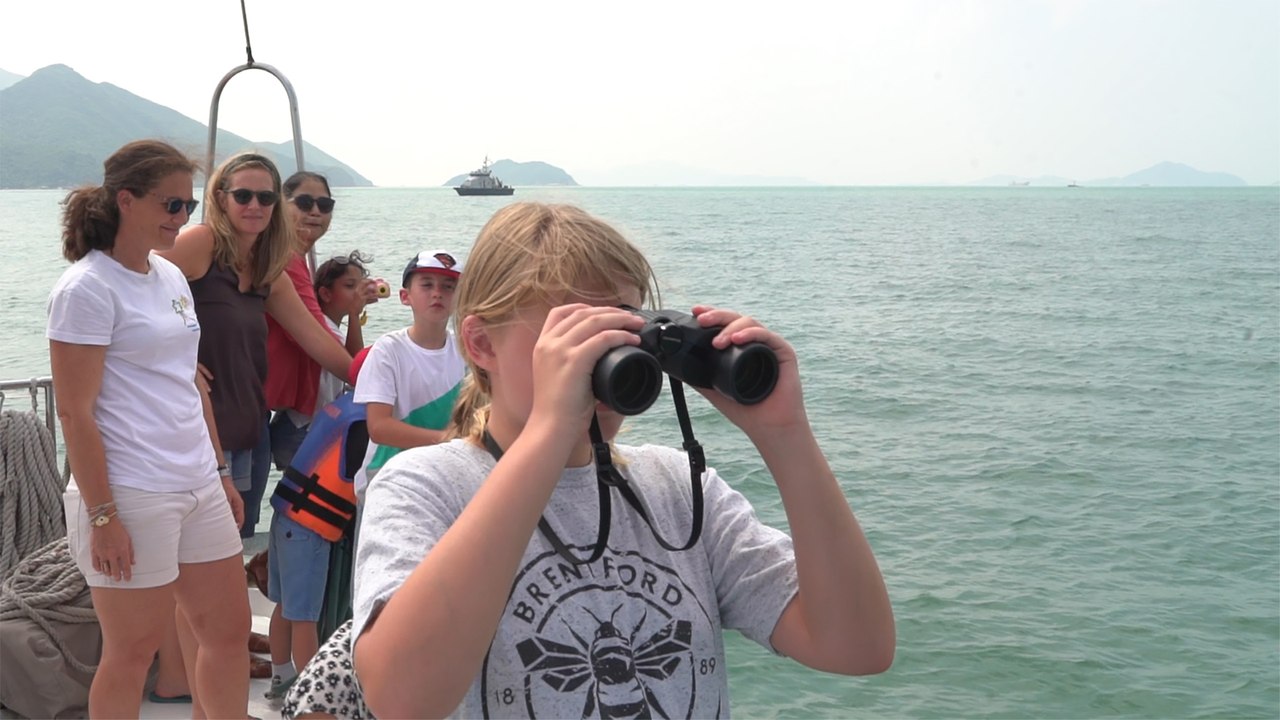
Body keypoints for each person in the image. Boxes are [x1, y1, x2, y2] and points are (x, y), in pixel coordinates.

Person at [330, 202, 894, 717]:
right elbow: (401, 697)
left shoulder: (676, 489)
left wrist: (786, 436)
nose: (597, 363)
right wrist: (550, 433)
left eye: (619, 333)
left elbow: (856, 645)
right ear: (481, 345)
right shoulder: (425, 486)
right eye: (574, 337)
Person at [48, 139, 250, 718]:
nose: (180, 219)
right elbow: (74, 414)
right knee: (132, 653)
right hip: (133, 491)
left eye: (188, 207)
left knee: (228, 633)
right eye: (170, 205)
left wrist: (219, 471)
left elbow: (189, 381)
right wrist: (103, 515)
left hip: (197, 483)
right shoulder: (86, 289)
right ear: (126, 201)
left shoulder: (168, 276)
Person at [158, 152, 354, 540]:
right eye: (243, 195)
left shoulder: (268, 270)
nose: (254, 206)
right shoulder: (202, 244)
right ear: (220, 199)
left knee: (235, 544)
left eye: (265, 198)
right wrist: (172, 359)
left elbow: (318, 341)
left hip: (252, 429)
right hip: (201, 432)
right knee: (197, 558)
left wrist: (383, 377)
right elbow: (133, 282)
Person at [264, 251, 375, 701]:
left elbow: (350, 363)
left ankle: (279, 676)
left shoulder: (329, 329)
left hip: (291, 510)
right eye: (349, 287)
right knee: (305, 612)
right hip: (310, 510)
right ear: (322, 293)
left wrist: (354, 316)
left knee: (287, 605)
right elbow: (354, 367)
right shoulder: (315, 329)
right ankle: (310, 694)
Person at [265, 173, 375, 471]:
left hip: (266, 410)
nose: (315, 211)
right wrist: (379, 383)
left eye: (324, 204)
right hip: (273, 415)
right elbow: (317, 339)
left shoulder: (291, 260)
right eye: (304, 202)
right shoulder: (285, 260)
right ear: (280, 206)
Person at [350, 250, 467, 504]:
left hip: (444, 477)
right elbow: (379, 428)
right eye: (426, 285)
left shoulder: (466, 350)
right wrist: (450, 440)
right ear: (405, 297)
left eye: (449, 287)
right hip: (388, 478)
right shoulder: (388, 350)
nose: (437, 293)